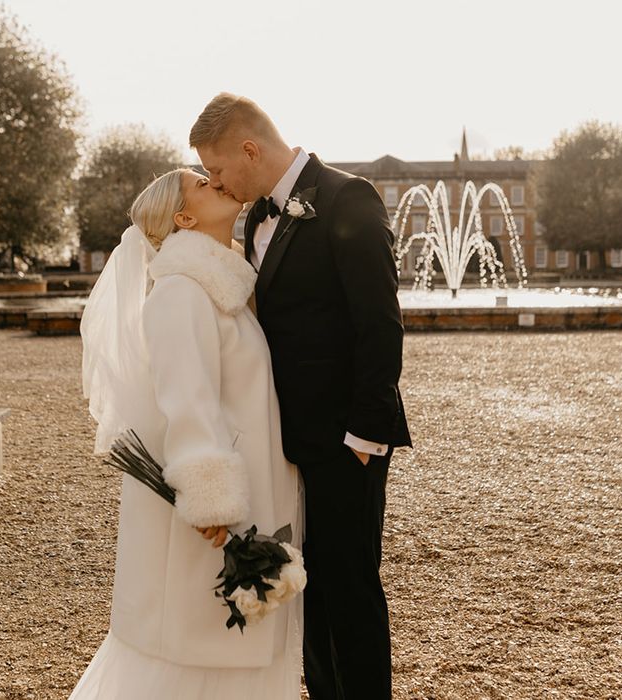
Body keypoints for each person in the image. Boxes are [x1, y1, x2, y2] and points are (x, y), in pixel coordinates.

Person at [190, 93, 413, 700]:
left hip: (346, 441)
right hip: (285, 444)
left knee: (350, 588)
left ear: (249, 149)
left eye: (216, 168)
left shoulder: (347, 198)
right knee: (306, 590)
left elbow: (380, 323)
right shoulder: (256, 216)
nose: (214, 181)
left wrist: (363, 438)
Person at [71, 168, 303, 699]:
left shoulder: (225, 291)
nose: (217, 181)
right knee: (197, 653)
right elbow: (186, 401)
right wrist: (211, 503)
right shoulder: (179, 293)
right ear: (184, 216)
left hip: (252, 496)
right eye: (201, 182)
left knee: (232, 650)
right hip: (216, 516)